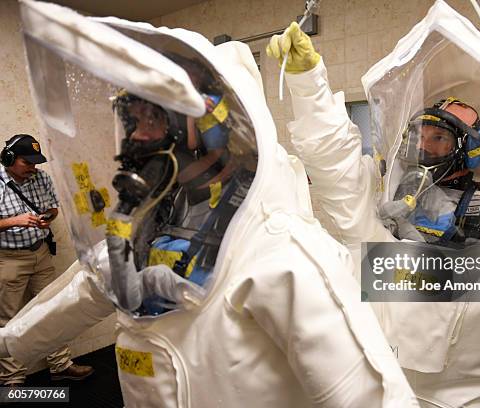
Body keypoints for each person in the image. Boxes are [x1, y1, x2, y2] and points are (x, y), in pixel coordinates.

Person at [0, 2, 417, 406]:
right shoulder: (145, 232)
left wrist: (309, 87)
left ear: (213, 126)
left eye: (154, 120)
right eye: (131, 121)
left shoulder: (277, 255)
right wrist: (9, 343)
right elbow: (89, 288)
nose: (137, 140)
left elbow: (369, 395)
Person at [267, 21, 480, 407]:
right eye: (418, 136)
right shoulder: (386, 217)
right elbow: (335, 168)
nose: (424, 148)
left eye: (440, 137)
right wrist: (308, 84)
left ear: (469, 150)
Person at [0, 134, 94, 386]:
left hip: (40, 253)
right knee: (9, 318)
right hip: (9, 259)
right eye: (27, 162)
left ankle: (61, 365)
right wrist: (14, 221)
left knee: (52, 309)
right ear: (9, 158)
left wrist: (47, 217)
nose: (33, 167)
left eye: (35, 162)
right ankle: (12, 379)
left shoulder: (41, 178)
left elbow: (53, 207)